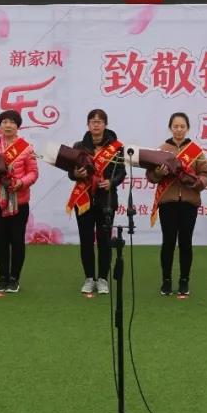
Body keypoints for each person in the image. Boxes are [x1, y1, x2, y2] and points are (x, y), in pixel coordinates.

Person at [146, 112, 207, 297]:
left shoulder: (195, 150)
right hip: (168, 201)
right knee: (168, 242)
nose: (179, 129)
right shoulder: (162, 150)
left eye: (182, 126)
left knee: (185, 242)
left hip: (189, 202)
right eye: (175, 126)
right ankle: (166, 280)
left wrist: (198, 182)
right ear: (170, 128)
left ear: (187, 128)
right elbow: (150, 176)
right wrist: (159, 173)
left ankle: (184, 280)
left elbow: (205, 173)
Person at [0, 110, 38, 293]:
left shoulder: (26, 148)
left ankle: (14, 278)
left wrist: (21, 183)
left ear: (17, 125)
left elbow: (33, 173)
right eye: (4, 122)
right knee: (1, 240)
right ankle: (2, 277)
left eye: (12, 122)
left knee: (17, 240)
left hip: (19, 201)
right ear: (0, 125)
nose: (8, 125)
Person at [67, 109, 126, 296]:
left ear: (105, 124)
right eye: (92, 121)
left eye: (99, 121)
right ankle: (89, 278)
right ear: (88, 124)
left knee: (104, 241)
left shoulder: (117, 147)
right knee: (86, 241)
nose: (96, 124)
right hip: (84, 199)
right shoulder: (78, 146)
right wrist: (77, 174)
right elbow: (71, 173)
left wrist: (111, 182)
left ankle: (102, 279)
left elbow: (121, 172)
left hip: (106, 200)